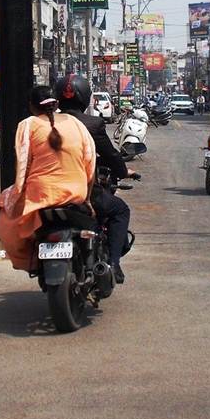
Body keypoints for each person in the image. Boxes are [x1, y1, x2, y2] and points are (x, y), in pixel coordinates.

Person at [0, 85, 96, 272]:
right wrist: (88, 199)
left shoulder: (27, 125)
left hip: (40, 195)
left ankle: (28, 262)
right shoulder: (76, 124)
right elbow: (90, 164)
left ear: (32, 106)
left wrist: (17, 193)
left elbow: (22, 166)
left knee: (5, 216)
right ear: (57, 104)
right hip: (77, 193)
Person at [56, 74, 136, 283]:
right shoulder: (91, 124)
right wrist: (122, 171)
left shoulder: (45, 123)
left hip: (48, 191)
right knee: (120, 210)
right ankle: (114, 263)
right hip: (83, 191)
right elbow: (110, 154)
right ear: (84, 98)